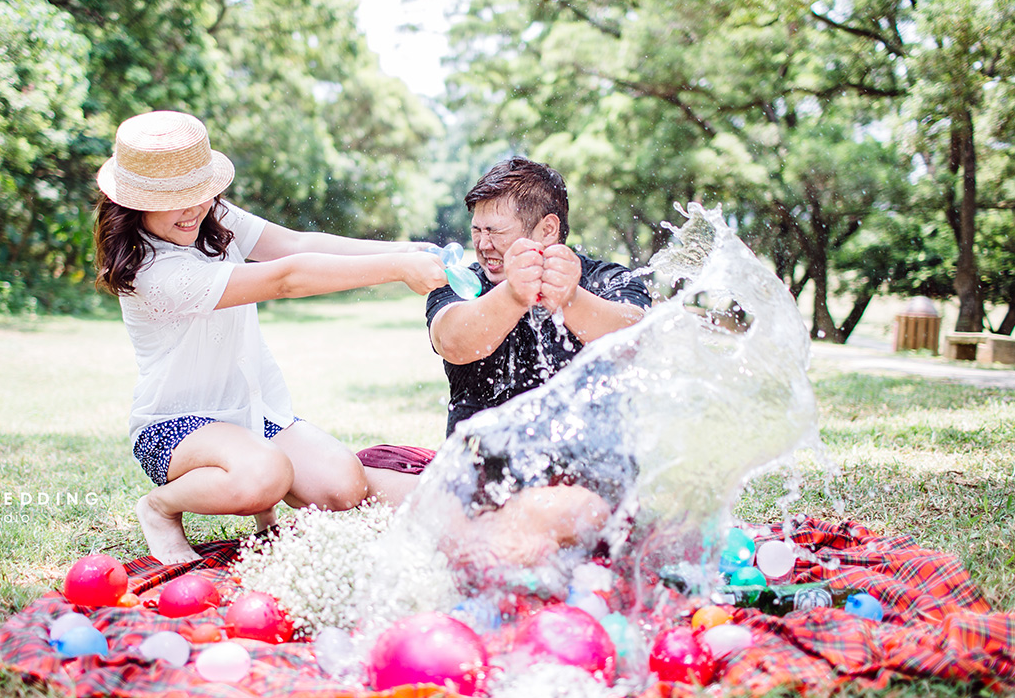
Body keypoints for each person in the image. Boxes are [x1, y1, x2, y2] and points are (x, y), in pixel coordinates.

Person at [93, 110, 447, 564]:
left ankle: (264, 483)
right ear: (135, 201)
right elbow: (286, 278)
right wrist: (395, 270)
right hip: (176, 427)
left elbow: (296, 245)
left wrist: (404, 250)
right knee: (266, 473)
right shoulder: (154, 272)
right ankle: (159, 507)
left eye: (201, 192)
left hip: (255, 416)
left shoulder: (207, 218)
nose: (195, 208)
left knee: (344, 486)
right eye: (175, 198)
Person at [359, 157, 652, 563]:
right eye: (477, 230)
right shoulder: (462, 283)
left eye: (496, 231)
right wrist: (513, 295)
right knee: (354, 476)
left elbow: (636, 340)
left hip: (574, 485)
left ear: (547, 229)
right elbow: (453, 341)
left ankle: (476, 541)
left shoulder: (605, 280)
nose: (483, 244)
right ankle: (487, 537)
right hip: (477, 480)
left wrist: (571, 300)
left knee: (576, 508)